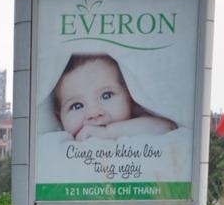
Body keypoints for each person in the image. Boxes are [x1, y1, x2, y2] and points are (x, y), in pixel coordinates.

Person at [50, 53, 178, 140]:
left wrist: (107, 133)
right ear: (58, 117)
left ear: (130, 99)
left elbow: (168, 128)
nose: (94, 113)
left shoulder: (138, 125)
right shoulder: (60, 143)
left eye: (106, 95)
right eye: (77, 106)